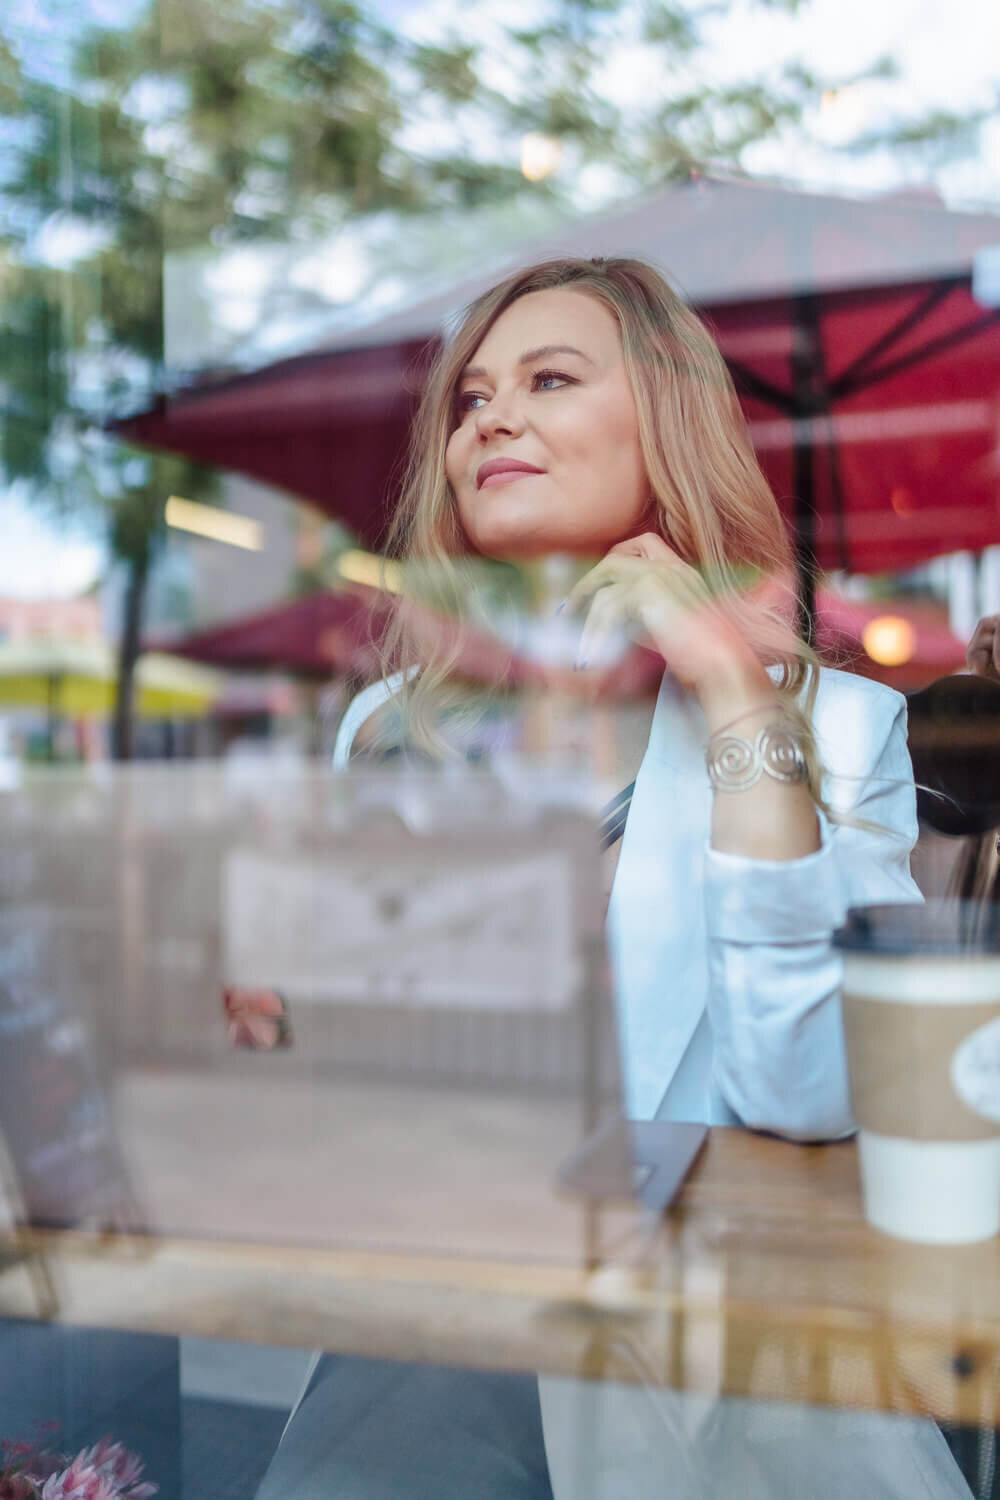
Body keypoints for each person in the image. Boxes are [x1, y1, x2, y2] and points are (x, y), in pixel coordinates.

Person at [256, 258, 972, 1498]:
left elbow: (805, 1090)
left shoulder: (838, 725)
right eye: (471, 399)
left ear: (665, 424)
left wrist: (734, 692)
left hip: (713, 1394)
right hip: (429, 1352)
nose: (493, 418)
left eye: (549, 379)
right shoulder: (387, 725)